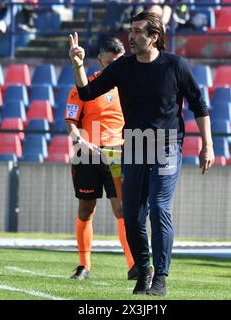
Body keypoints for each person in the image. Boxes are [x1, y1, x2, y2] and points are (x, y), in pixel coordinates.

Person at [68, 10, 214, 296]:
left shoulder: (175, 65)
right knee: (132, 215)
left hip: (167, 145)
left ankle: (160, 277)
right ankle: (143, 270)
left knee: (159, 208)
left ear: (154, 37)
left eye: (137, 32)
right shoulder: (123, 67)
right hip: (134, 144)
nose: (130, 37)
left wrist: (207, 144)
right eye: (131, 30)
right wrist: (78, 65)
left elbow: (199, 105)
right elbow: (86, 94)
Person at [65, 38, 138, 281]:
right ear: (99, 61)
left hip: (116, 153)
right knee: (86, 208)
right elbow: (71, 123)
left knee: (122, 209)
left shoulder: (129, 87)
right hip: (86, 153)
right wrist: (79, 141)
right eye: (109, 63)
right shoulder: (84, 86)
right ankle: (84, 266)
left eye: (118, 62)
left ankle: (133, 265)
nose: (114, 68)